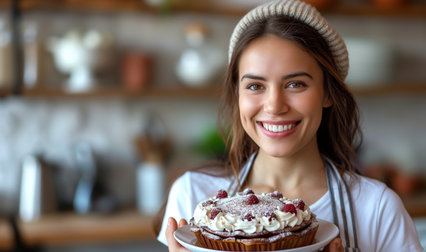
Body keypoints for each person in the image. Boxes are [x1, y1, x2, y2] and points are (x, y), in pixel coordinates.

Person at [155, 0, 424, 251]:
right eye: (255, 86)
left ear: (328, 93)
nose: (274, 105)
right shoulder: (192, 195)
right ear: (238, 95)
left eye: (296, 84)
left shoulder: (377, 209)